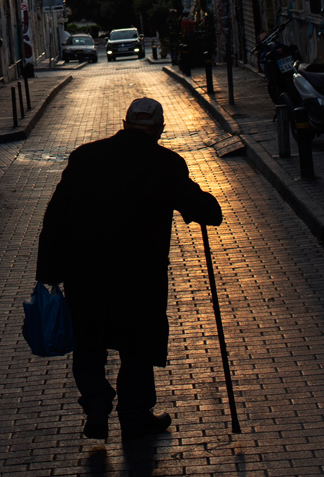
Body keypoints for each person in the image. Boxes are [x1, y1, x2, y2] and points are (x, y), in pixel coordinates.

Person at [36, 97, 223, 441]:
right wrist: (211, 208)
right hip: (140, 276)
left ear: (124, 124)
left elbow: (55, 214)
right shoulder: (166, 163)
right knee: (137, 344)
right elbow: (202, 208)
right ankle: (135, 416)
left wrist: (47, 269)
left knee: (89, 341)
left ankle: (96, 403)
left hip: (85, 272)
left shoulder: (84, 157)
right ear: (159, 129)